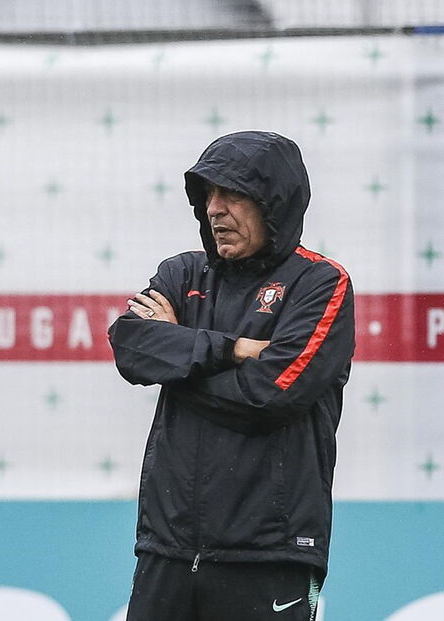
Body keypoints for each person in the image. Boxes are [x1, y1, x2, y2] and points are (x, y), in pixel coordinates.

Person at [108, 131, 354, 621]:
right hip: (168, 548)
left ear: (275, 203)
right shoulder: (182, 273)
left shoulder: (322, 283)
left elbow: (269, 395)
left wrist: (178, 361)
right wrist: (234, 349)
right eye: (207, 196)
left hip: (269, 553)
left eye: (232, 194)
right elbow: (131, 346)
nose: (214, 209)